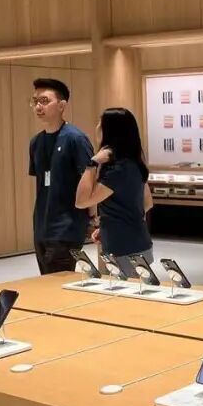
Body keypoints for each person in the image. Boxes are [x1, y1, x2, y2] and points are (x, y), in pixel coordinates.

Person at [29, 78, 94, 274]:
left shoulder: (75, 139)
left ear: (62, 105)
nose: (38, 106)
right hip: (42, 226)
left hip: (67, 227)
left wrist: (93, 218)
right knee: (46, 281)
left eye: (44, 101)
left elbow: (90, 180)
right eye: (35, 101)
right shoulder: (36, 142)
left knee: (57, 280)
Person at [75, 107, 154, 262]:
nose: (97, 127)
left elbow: (81, 201)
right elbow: (147, 203)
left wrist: (92, 163)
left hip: (125, 248)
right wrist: (109, 226)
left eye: (100, 123)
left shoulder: (118, 170)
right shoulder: (132, 162)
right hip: (135, 244)